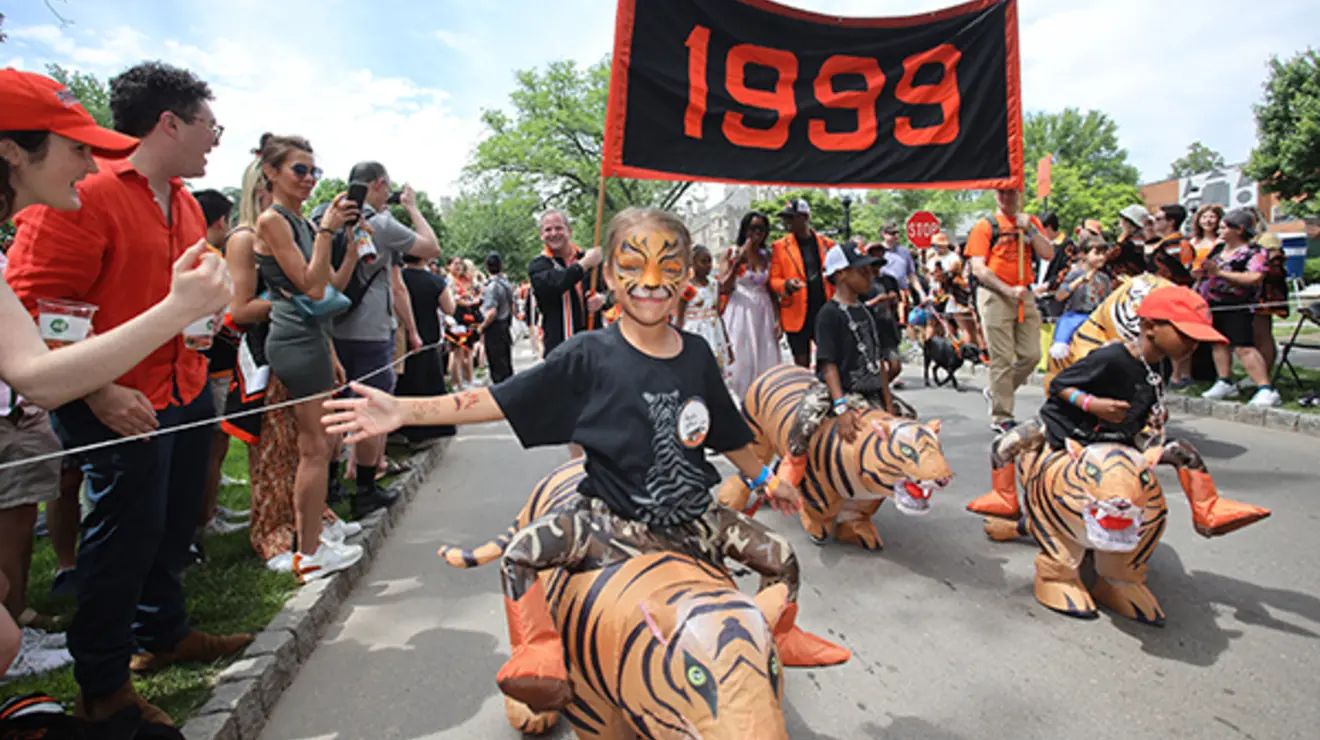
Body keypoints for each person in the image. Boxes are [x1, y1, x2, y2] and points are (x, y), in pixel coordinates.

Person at [322, 206, 847, 712]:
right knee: (521, 555)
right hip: (612, 525)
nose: (650, 279)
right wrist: (404, 409)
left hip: (697, 521)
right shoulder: (589, 353)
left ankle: (782, 632)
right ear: (611, 277)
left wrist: (765, 478)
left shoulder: (696, 355)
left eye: (668, 266)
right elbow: (502, 399)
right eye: (633, 265)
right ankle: (540, 651)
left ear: (686, 275)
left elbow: (729, 433)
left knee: (782, 558)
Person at [2, 62, 240, 726]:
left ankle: (164, 634)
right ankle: (104, 686)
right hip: (115, 401)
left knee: (172, 524)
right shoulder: (83, 196)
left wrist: (196, 332)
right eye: (209, 125)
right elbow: (33, 313)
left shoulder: (189, 203)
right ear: (169, 122)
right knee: (123, 539)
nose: (215, 140)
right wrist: (100, 391)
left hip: (181, 388)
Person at [969, 285, 1269, 529]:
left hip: (1122, 433)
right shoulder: (1111, 357)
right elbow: (1059, 384)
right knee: (1003, 446)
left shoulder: (1160, 365)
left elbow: (1148, 394)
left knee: (1185, 453)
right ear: (1150, 327)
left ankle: (1207, 509)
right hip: (1070, 428)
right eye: (1186, 335)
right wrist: (1091, 403)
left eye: (1197, 338)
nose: (1193, 345)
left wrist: (1153, 415)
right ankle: (1005, 498)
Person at [253, 135, 364, 582]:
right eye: (299, 170)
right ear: (271, 173)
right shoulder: (273, 221)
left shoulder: (297, 220)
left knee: (323, 446)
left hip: (313, 336)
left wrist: (349, 246)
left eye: (313, 171)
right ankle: (310, 551)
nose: (309, 179)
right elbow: (312, 288)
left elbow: (328, 286)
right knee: (314, 449)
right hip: (294, 339)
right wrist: (327, 231)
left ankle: (314, 540)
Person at [776, 241, 894, 487]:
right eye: (862, 272)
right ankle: (792, 466)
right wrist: (840, 407)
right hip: (839, 389)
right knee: (805, 421)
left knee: (908, 422)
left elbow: (878, 361)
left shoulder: (867, 312)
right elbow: (828, 364)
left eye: (870, 272)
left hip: (870, 390)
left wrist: (888, 403)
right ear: (841, 274)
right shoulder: (828, 314)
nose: (869, 278)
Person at [966, 188, 1054, 432]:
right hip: (996, 295)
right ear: (996, 196)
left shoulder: (1030, 222)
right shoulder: (985, 227)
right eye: (1002, 194)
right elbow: (978, 269)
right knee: (1002, 358)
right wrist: (1006, 289)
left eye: (1011, 194)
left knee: (1032, 355)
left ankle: (995, 392)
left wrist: (1032, 230)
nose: (1007, 199)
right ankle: (1002, 416)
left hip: (1024, 294)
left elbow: (1048, 254)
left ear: (1018, 194)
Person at [1197, 209, 1278, 406]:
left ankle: (1265, 388)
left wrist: (1220, 273)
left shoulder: (1254, 252)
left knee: (1243, 347)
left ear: (1239, 230)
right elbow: (1209, 272)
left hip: (1239, 304)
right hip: (1214, 302)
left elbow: (1254, 277)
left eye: (1224, 227)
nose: (1220, 231)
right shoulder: (1218, 250)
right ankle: (1224, 380)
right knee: (1219, 343)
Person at [719, 211, 781, 401]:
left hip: (764, 311)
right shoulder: (731, 253)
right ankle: (738, 401)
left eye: (762, 228)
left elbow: (771, 289)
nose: (757, 232)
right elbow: (723, 287)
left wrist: (778, 319)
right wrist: (737, 263)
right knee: (741, 358)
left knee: (765, 356)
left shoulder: (768, 256)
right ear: (745, 229)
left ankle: (764, 401)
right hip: (740, 310)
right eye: (753, 228)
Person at [528, 209, 605, 359]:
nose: (553, 233)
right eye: (548, 229)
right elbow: (556, 283)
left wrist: (603, 299)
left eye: (558, 228)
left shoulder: (590, 260)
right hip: (559, 349)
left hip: (593, 345)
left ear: (569, 231)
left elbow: (613, 292)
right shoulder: (538, 265)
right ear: (541, 235)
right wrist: (583, 265)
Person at [770, 199, 834, 368]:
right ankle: (804, 392)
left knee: (828, 358)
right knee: (801, 363)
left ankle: (826, 390)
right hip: (795, 311)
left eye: (791, 218)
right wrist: (786, 285)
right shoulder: (779, 247)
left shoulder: (828, 245)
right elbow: (773, 279)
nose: (787, 222)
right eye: (785, 218)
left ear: (805, 217)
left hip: (823, 309)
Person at [677, 245, 734, 384]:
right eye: (703, 261)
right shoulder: (687, 288)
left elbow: (718, 315)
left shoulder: (714, 285)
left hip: (715, 334)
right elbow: (679, 318)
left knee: (715, 370)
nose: (707, 266)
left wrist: (728, 345)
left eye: (709, 261)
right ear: (692, 263)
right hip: (695, 333)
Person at [1049, 234, 1112, 359]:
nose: (1101, 257)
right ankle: (1060, 345)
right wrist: (1079, 281)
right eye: (1097, 253)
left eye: (1104, 254)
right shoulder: (1075, 274)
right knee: (1066, 325)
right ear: (1083, 254)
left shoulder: (1104, 278)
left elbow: (1107, 301)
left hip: (1096, 317)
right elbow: (1059, 296)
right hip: (1076, 314)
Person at [479, 251, 516, 384]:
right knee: (506, 364)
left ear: (486, 267)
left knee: (497, 367)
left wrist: (481, 327)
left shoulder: (492, 287)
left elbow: (491, 312)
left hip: (494, 328)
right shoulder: (506, 284)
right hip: (505, 326)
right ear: (502, 265)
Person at [1148, 204, 1195, 286]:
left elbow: (1187, 272)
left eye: (1158, 219)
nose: (1154, 222)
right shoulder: (1161, 243)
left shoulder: (1180, 244)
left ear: (1171, 222)